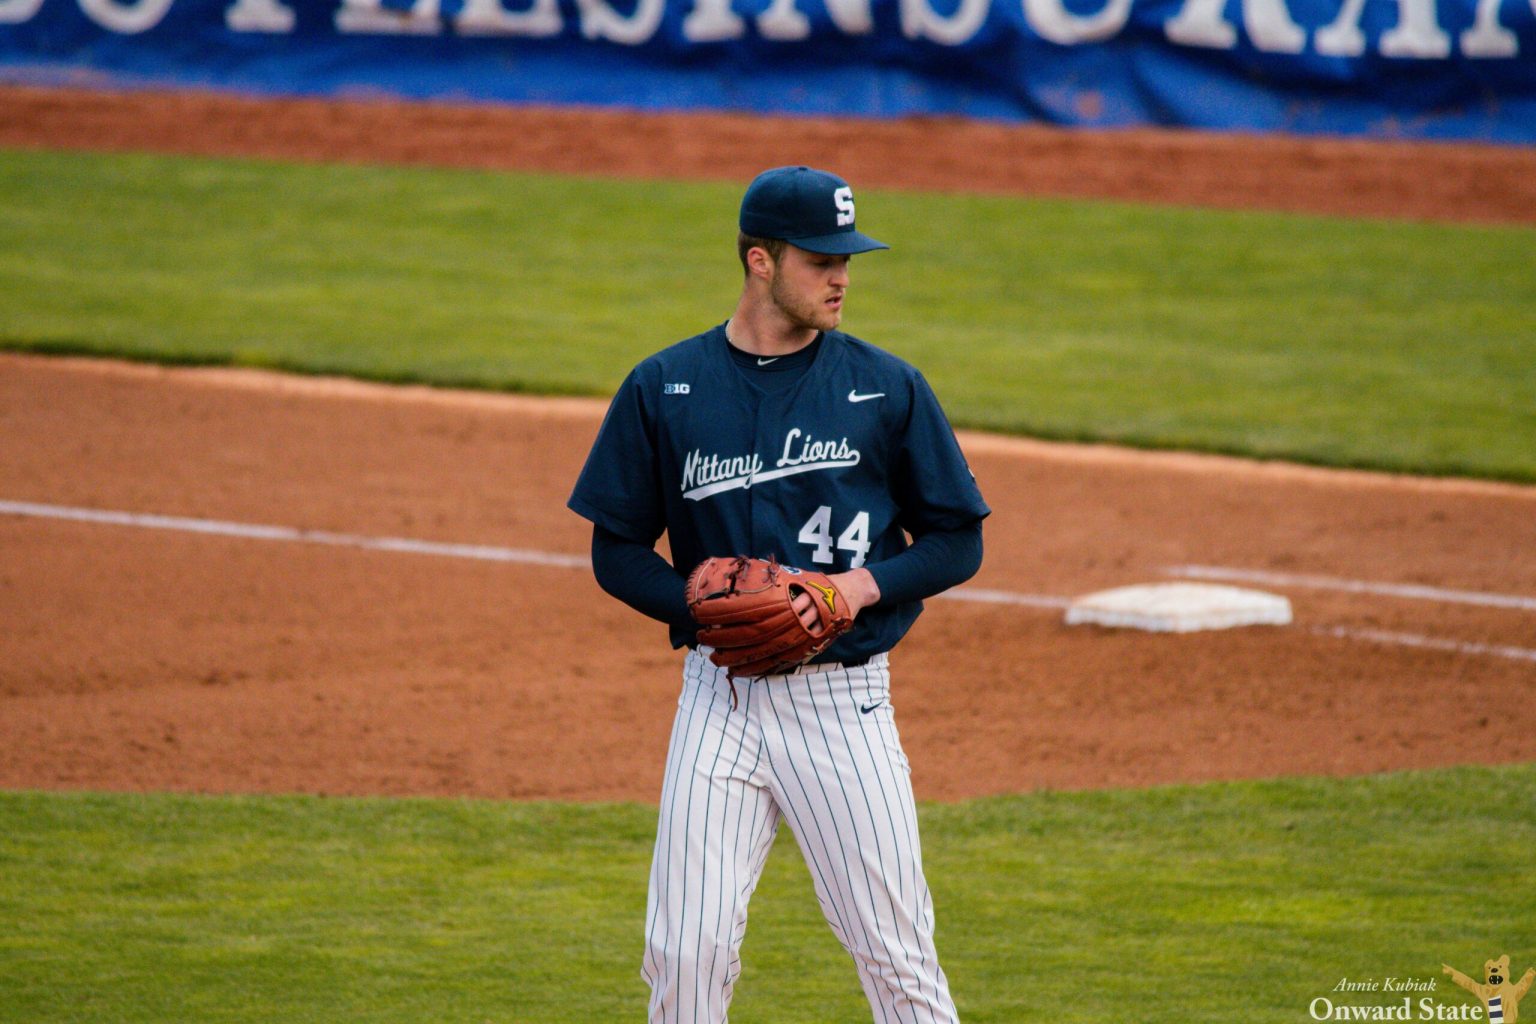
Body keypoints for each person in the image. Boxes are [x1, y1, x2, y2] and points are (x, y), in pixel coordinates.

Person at [568, 165, 989, 1023]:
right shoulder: (666, 385)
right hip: (716, 701)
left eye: (848, 258)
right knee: (683, 955)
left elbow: (959, 538)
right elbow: (616, 548)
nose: (841, 276)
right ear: (759, 261)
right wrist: (694, 606)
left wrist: (851, 590)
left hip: (844, 709)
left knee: (897, 958)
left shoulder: (887, 387)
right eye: (820, 259)